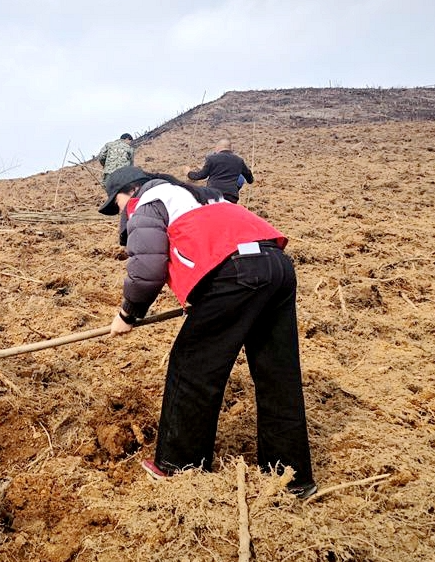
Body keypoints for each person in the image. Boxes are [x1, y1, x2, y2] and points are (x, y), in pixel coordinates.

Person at [99, 165, 316, 498]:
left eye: (116, 205)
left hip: (236, 273)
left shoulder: (147, 202)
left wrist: (127, 313)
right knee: (278, 375)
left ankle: (179, 467)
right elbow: (207, 242)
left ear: (128, 192)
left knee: (192, 368)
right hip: (276, 266)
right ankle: (292, 476)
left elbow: (147, 268)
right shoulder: (201, 195)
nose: (120, 213)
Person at [186, 139, 254, 203]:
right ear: (230, 148)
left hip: (213, 194)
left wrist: (189, 173)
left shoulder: (212, 159)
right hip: (231, 196)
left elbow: (200, 175)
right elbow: (250, 179)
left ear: (218, 147)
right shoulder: (239, 160)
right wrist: (250, 179)